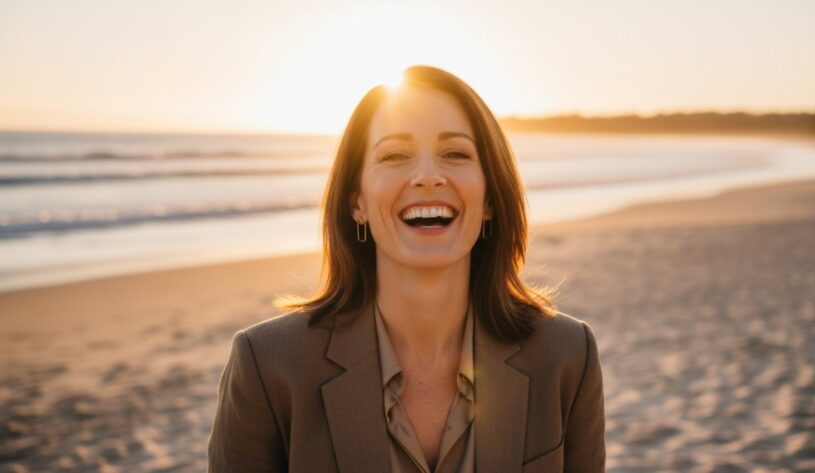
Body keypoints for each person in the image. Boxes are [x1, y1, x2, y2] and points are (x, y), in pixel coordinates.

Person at [208, 65, 605, 472]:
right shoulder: (268, 365)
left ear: (489, 198)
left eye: (456, 154)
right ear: (356, 202)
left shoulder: (567, 355)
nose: (428, 177)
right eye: (395, 155)